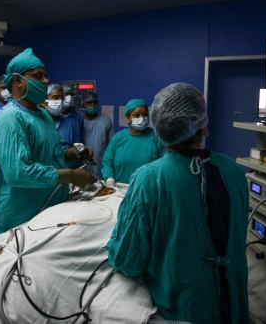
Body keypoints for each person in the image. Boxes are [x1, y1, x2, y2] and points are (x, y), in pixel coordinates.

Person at [107, 83, 250, 324]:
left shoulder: (149, 179)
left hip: (184, 313)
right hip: (235, 311)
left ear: (159, 128)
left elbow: (127, 260)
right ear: (203, 125)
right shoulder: (235, 172)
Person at [0, 48, 96, 234]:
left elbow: (46, 156)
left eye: (46, 76)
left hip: (50, 209)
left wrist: (69, 154)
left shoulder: (43, 114)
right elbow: (18, 173)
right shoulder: (10, 117)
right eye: (38, 76)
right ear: (17, 81)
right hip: (22, 217)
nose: (46, 81)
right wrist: (70, 175)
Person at [101, 98, 164, 185]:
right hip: (120, 190)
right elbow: (107, 163)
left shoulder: (157, 138)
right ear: (128, 118)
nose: (141, 118)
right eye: (136, 115)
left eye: (145, 114)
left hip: (148, 190)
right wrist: (109, 179)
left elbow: (165, 164)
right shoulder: (118, 138)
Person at [82, 91, 114, 179]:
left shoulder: (106, 120)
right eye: (89, 102)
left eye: (95, 102)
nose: (92, 105)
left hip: (101, 165)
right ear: (83, 104)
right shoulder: (78, 121)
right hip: (82, 165)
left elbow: (111, 147)